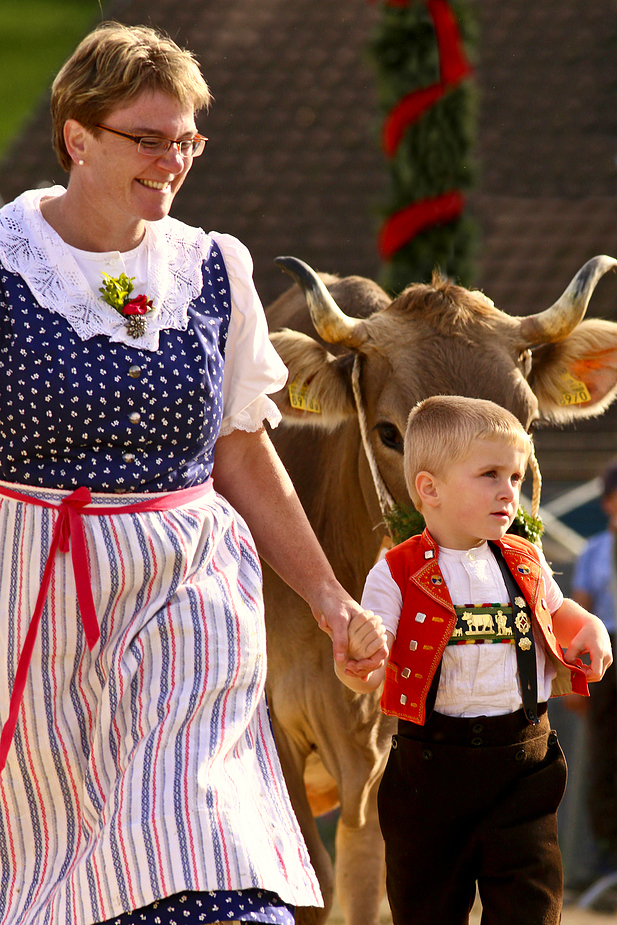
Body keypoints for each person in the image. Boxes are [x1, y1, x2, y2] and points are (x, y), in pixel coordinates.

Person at [0, 21, 387, 925]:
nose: (172, 161)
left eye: (186, 141)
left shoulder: (217, 267)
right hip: (34, 584)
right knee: (57, 852)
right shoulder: (5, 262)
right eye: (148, 138)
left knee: (197, 815)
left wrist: (332, 601)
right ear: (77, 137)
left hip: (190, 576)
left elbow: (242, 452)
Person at [337, 395, 613, 925]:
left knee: (531, 904)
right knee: (428, 904)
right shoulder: (395, 573)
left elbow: (557, 612)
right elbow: (370, 667)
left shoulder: (523, 559)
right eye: (489, 474)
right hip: (431, 770)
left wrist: (591, 627)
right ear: (429, 489)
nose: (508, 491)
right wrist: (361, 656)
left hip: (523, 763)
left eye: (515, 476)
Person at [572, 458, 617, 873]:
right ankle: (607, 857)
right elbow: (583, 613)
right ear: (607, 503)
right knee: (604, 757)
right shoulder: (594, 551)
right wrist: (577, 679)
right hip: (608, 654)